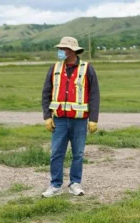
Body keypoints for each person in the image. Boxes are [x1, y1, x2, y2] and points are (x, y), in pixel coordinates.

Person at [41, 36, 100, 197]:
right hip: (59, 120)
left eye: (63, 49)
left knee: (78, 154)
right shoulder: (54, 69)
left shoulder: (87, 68)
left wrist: (93, 119)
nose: (60, 52)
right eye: (60, 49)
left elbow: (94, 95)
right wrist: (47, 116)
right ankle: (55, 185)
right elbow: (46, 93)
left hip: (79, 121)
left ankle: (75, 183)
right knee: (56, 153)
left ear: (72, 51)